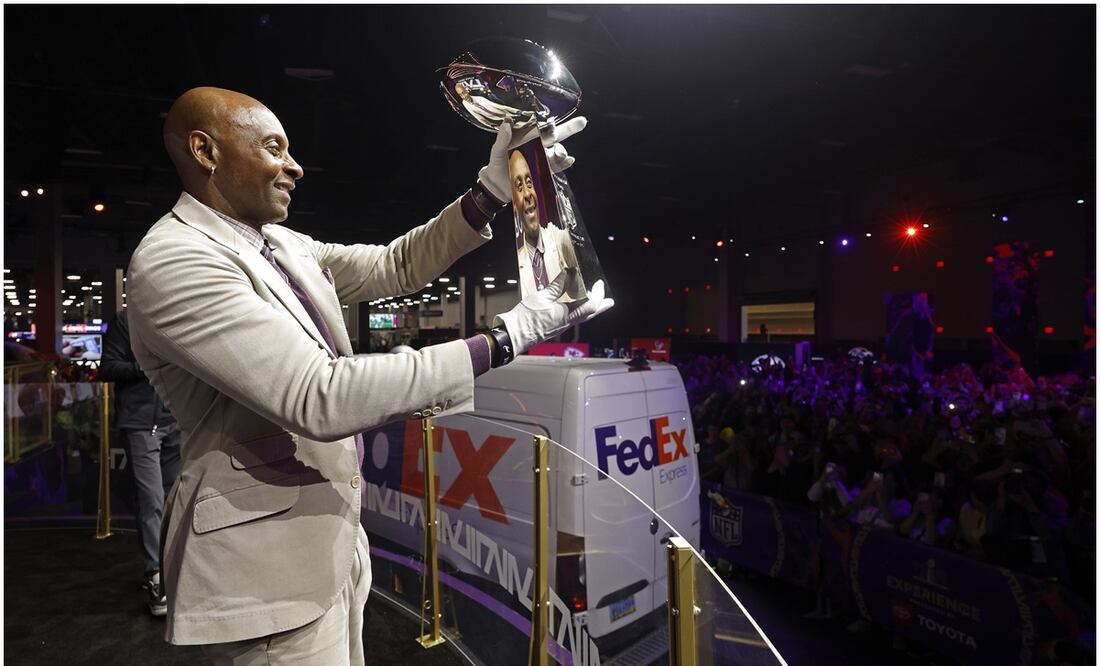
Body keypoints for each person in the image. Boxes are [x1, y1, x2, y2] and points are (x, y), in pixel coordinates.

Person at [126, 87, 611, 664]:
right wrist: (506, 337)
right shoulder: (174, 259)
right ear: (206, 151)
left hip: (328, 545)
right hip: (265, 576)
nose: (294, 166)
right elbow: (317, 394)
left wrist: (490, 193)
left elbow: (395, 265)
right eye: (274, 148)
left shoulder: (279, 243)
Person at [99, 308, 182, 616]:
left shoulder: (176, 315)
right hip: (141, 423)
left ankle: (169, 569)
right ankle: (155, 575)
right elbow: (107, 367)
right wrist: (148, 366)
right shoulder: (125, 319)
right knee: (152, 500)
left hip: (175, 420)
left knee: (172, 500)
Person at [510, 147, 583, 301]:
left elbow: (578, 247)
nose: (528, 194)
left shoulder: (559, 238)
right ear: (513, 203)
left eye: (529, 184)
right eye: (519, 187)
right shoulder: (516, 261)